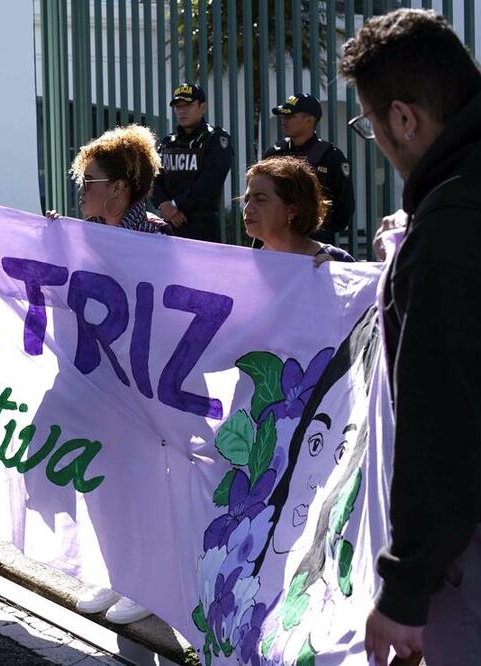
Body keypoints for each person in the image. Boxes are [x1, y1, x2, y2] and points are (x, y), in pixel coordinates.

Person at [339, 9, 481, 665]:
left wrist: (405, 586)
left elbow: (445, 424)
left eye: (368, 124)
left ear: (402, 118)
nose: (377, 141)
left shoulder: (454, 230)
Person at [46, 124, 169, 625]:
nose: (81, 190)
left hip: (142, 386)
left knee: (141, 482)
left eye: (89, 180)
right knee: (100, 479)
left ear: (119, 188)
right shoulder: (80, 237)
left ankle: (151, 583)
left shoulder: (157, 238)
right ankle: (118, 571)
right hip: (95, 380)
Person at [263, 93, 354, 245]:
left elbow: (344, 206)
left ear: (309, 120)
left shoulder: (330, 157)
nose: (284, 120)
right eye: (283, 116)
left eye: (290, 116)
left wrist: (323, 230)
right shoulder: (274, 153)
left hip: (315, 240)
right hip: (277, 237)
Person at [151, 83, 232, 243]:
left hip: (202, 226)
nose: (182, 110)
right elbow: (153, 178)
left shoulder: (215, 139)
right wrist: (165, 206)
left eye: (187, 105)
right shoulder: (168, 142)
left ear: (203, 107)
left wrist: (175, 205)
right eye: (178, 106)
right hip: (168, 224)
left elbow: (210, 181)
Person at [241, 156, 355, 265]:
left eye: (260, 199)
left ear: (292, 210)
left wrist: (334, 277)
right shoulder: (245, 266)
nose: (247, 209)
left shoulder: (336, 260)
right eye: (246, 200)